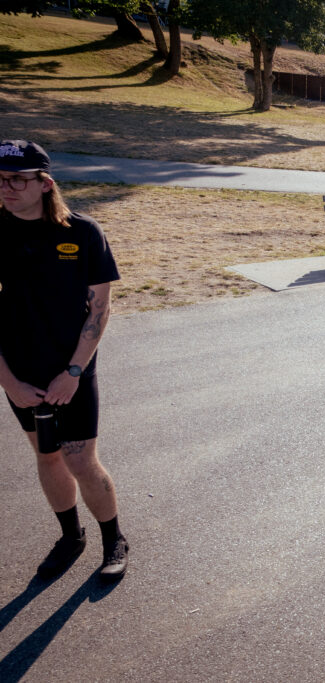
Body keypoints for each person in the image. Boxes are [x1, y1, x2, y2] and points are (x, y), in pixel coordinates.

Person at [0, 140, 128, 580]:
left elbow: (99, 309)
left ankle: (114, 539)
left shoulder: (83, 232)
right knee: (47, 456)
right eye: (0, 180)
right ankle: (70, 536)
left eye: (17, 179)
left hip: (72, 369)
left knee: (79, 459)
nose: (7, 188)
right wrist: (8, 382)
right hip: (20, 373)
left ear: (45, 183)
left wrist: (73, 372)